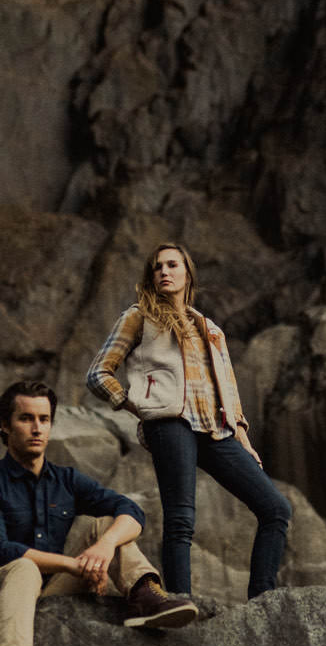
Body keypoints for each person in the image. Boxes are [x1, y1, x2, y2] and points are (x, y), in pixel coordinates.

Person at [0, 378, 198, 646]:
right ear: (4, 424)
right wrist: (77, 566)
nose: (36, 428)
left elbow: (132, 513)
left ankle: (146, 596)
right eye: (26, 418)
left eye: (43, 419)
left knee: (107, 526)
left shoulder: (66, 480)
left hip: (50, 592)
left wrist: (103, 547)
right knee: (24, 566)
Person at [87, 241, 291, 599]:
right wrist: (138, 404)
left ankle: (263, 601)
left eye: (171, 265)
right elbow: (99, 373)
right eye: (157, 267)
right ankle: (181, 601)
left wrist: (242, 437)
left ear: (187, 273)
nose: (164, 272)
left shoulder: (210, 328)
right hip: (170, 425)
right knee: (181, 519)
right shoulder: (138, 317)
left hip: (215, 430)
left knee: (275, 508)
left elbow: (228, 387)